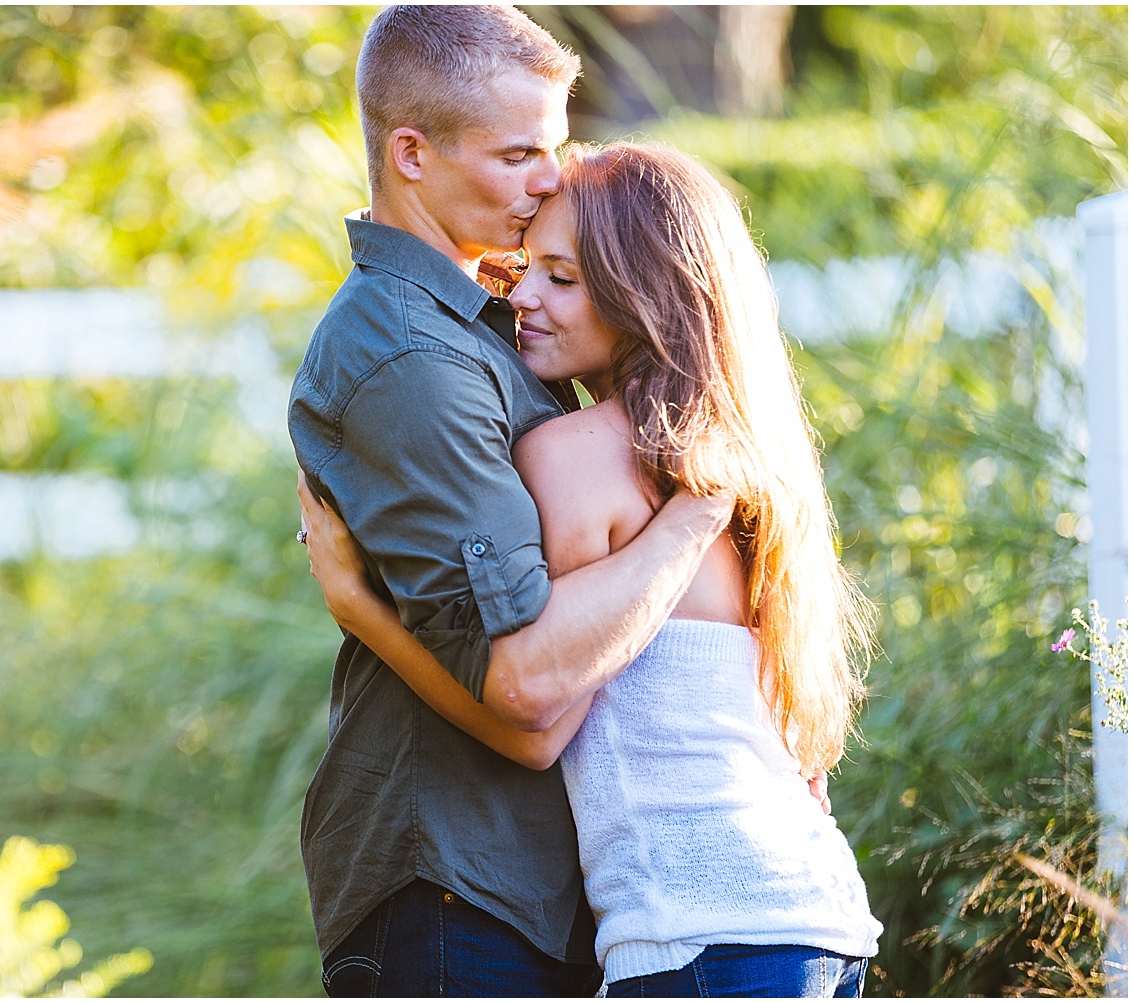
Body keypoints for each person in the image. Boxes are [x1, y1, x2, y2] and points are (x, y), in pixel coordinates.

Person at [298, 140, 884, 997]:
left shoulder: (573, 455)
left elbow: (534, 710)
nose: (521, 299)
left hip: (696, 933)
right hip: (816, 915)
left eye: (562, 279)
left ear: (647, 298)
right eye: (527, 269)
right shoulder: (743, 472)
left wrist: (359, 604)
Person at [286, 6, 739, 997]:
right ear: (411, 153)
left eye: (557, 145)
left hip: (525, 894)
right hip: (455, 890)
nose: (550, 178)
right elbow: (529, 702)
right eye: (518, 152)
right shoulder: (414, 359)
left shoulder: (494, 320)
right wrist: (694, 517)